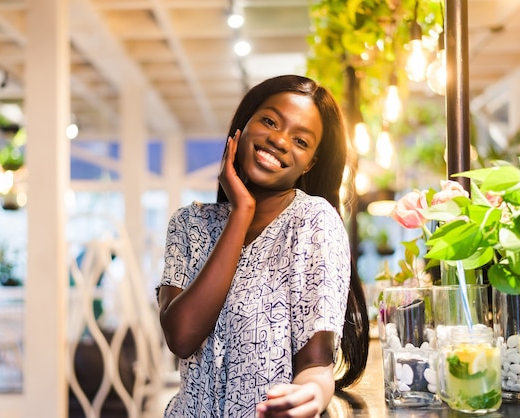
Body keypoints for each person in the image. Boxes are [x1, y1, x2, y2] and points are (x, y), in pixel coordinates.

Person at [157, 74, 369, 417]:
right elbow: (181, 336)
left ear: (310, 162)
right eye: (269, 121)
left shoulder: (313, 222)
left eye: (301, 141)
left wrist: (314, 392)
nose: (280, 141)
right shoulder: (189, 224)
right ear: (241, 128)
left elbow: (315, 363)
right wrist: (241, 211)